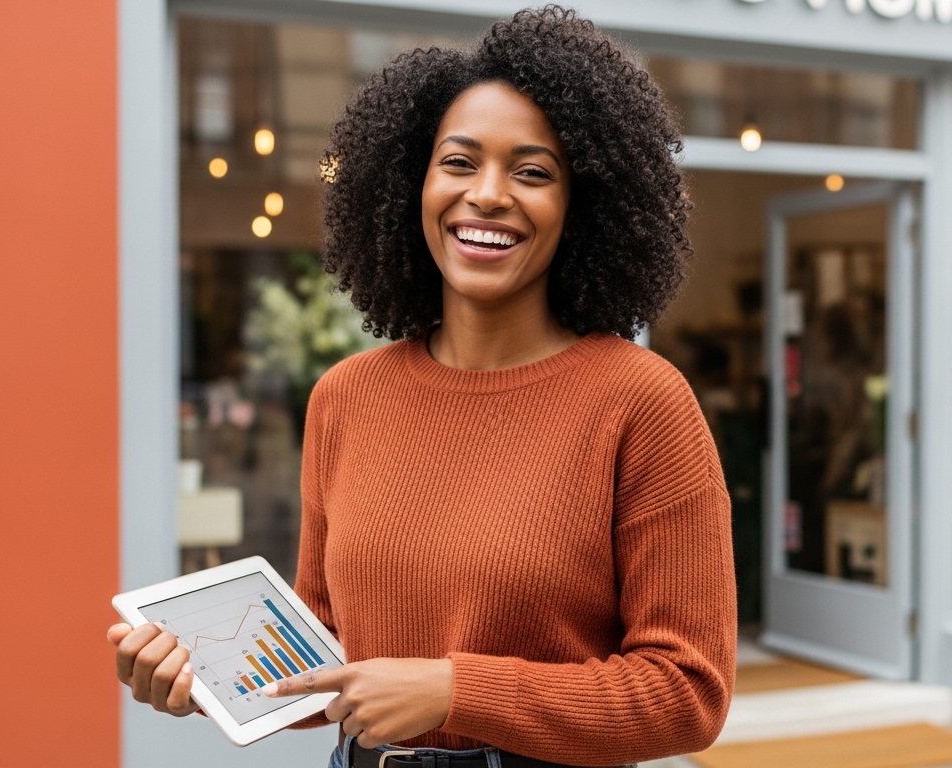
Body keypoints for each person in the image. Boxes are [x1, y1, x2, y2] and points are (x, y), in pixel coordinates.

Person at [107, 7, 737, 767]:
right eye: (459, 162)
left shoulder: (641, 401)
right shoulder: (345, 398)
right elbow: (334, 655)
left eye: (532, 172)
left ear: (582, 207)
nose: (488, 195)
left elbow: (688, 692)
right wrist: (204, 675)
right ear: (413, 184)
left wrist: (455, 692)